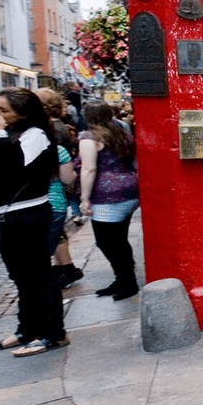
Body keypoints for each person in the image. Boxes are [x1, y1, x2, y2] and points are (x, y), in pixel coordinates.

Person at [0, 88, 69, 357]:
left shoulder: (36, 136)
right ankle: (28, 329)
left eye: (4, 110)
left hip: (29, 216)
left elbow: (11, 169)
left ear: (23, 112)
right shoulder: (12, 135)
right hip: (10, 217)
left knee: (39, 275)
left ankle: (53, 333)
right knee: (21, 277)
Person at [78, 102, 141, 300]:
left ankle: (128, 282)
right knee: (119, 240)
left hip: (107, 197)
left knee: (106, 242)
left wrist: (84, 199)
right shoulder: (121, 133)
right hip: (130, 192)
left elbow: (89, 169)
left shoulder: (89, 138)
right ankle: (122, 280)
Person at [34, 88, 84, 288]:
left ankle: (64, 269)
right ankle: (66, 267)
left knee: (51, 237)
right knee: (58, 232)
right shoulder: (62, 126)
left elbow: (61, 161)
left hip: (54, 188)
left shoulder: (51, 130)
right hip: (58, 186)